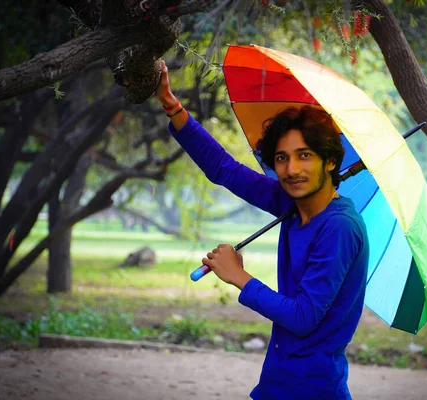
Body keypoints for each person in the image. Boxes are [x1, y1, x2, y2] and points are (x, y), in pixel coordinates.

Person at [156, 60, 369, 400]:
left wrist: (238, 276)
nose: (291, 169)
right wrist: (172, 105)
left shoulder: (340, 227)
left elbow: (302, 317)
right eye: (282, 158)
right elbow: (224, 169)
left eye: (305, 155)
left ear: (330, 161)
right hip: (277, 383)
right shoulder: (290, 203)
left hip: (313, 389)